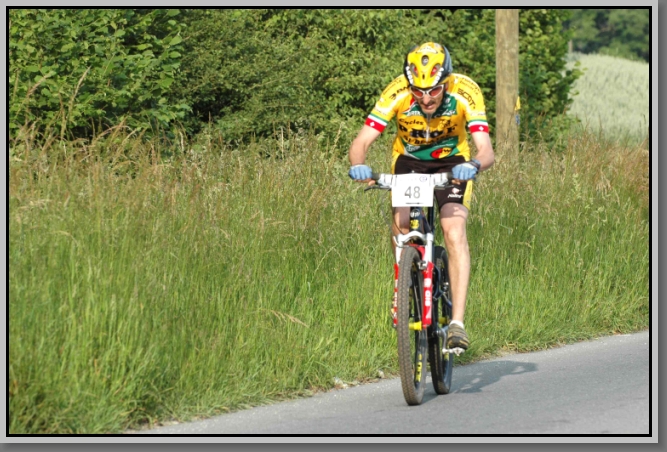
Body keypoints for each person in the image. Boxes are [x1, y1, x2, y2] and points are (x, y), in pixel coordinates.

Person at [347, 42, 495, 350]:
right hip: (410, 161)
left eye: (434, 91)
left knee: (453, 231)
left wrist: (474, 165)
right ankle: (401, 288)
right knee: (402, 224)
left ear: (446, 82)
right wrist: (358, 164)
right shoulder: (397, 91)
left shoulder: (465, 91)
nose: (426, 99)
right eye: (418, 92)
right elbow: (361, 141)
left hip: (453, 162)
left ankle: (457, 323)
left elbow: (486, 150)